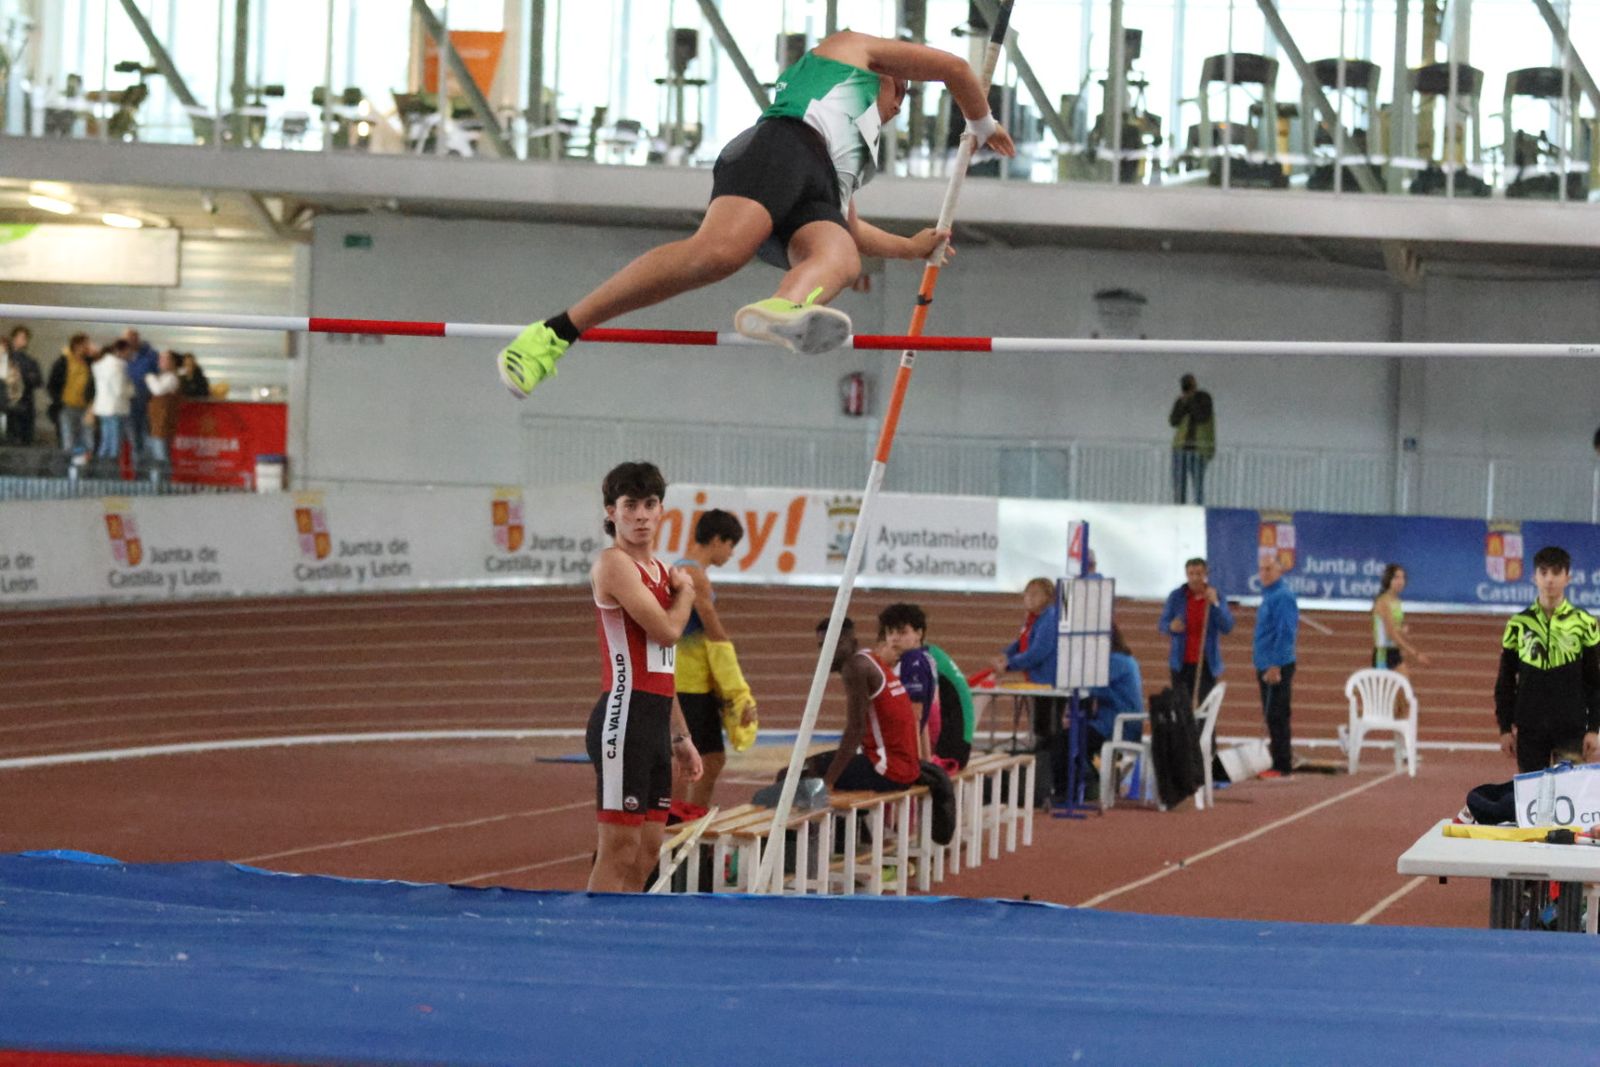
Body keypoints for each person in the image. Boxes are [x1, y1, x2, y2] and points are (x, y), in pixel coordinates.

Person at [494, 30, 1016, 399]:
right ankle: (554, 334)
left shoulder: (857, 153)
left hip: (816, 184)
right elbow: (952, 69)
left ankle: (784, 308)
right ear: (890, 69)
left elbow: (848, 224)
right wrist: (982, 122)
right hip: (781, 147)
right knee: (719, 254)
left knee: (840, 257)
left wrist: (909, 247)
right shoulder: (849, 49)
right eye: (901, 86)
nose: (901, 102)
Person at [583, 461, 703, 892]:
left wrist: (681, 737)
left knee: (648, 851)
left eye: (649, 504)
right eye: (630, 505)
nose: (640, 515)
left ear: (661, 511)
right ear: (611, 512)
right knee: (618, 849)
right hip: (624, 719)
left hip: (654, 723)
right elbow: (667, 632)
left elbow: (662, 668)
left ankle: (624, 944)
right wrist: (687, 593)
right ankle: (591, 945)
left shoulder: (659, 571)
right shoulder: (614, 566)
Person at [669, 508, 757, 821]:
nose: (731, 554)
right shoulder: (693, 575)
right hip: (688, 681)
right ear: (717, 540)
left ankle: (689, 820)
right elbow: (713, 629)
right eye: (731, 546)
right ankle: (673, 824)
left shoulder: (687, 571)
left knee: (711, 759)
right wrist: (737, 686)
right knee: (690, 759)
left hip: (694, 678)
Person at [1494, 545, 1600, 774]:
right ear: (1534, 577)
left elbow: (1594, 681)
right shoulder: (1518, 625)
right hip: (1530, 728)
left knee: (1571, 800)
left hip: (1571, 729)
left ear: (1567, 577)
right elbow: (1505, 680)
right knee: (1531, 802)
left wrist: (1594, 728)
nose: (1549, 579)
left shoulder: (1585, 623)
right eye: (1543, 573)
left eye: (1556, 572)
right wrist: (1504, 728)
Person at [801, 617, 920, 792]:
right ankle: (849, 819)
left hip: (889, 769)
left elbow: (856, 729)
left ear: (851, 642)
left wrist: (829, 781)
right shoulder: (869, 659)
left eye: (832, 645)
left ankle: (821, 819)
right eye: (821, 646)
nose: (826, 652)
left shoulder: (855, 667)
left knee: (795, 777)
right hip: (904, 765)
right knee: (809, 766)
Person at [991, 577, 1065, 799]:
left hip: (1050, 683)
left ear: (1048, 597)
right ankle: (1041, 780)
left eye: (1035, 594)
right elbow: (1020, 642)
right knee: (1041, 729)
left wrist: (1010, 664)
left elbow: (1039, 651)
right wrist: (1005, 655)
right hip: (1037, 683)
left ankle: (1048, 782)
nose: (1029, 598)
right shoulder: (1033, 619)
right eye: (1027, 593)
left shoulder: (1050, 618)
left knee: (1048, 730)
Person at [879, 602, 974, 770]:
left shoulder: (914, 660)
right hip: (960, 743)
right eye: (889, 632)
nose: (894, 638)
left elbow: (926, 714)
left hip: (951, 748)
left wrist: (922, 760)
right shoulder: (928, 654)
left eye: (902, 632)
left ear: (919, 633)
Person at [1158, 557, 1234, 702]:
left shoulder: (1215, 595)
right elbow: (1162, 624)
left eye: (1198, 574)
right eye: (1191, 574)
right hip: (1181, 663)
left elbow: (1227, 626)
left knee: (1205, 707)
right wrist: (1170, 626)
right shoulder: (1176, 597)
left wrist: (1215, 604)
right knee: (1182, 709)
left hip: (1206, 663)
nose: (1194, 578)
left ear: (1205, 574)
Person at [1253, 553, 1299, 778]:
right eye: (1261, 569)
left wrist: (1275, 665)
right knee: (1272, 714)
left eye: (1269, 569)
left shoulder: (1282, 596)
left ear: (1280, 570)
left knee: (1277, 714)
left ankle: (1282, 765)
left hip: (1275, 665)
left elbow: (1286, 632)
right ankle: (1277, 760)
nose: (1264, 573)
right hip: (1265, 663)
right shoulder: (1270, 595)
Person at [1371, 564, 1429, 675]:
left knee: (1403, 688)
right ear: (1388, 580)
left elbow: (1395, 627)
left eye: (1402, 578)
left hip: (1394, 651)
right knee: (1383, 691)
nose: (1400, 581)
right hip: (1383, 654)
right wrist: (1415, 653)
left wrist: (1402, 630)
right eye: (1396, 577)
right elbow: (1391, 633)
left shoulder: (1396, 601)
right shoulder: (1383, 602)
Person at [47, 333, 96, 458]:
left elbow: (95, 384)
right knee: (68, 441)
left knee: (88, 441)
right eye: (85, 344)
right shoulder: (63, 361)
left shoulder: (90, 363)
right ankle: (69, 470)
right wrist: (59, 400)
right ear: (77, 345)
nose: (87, 347)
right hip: (67, 407)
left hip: (85, 408)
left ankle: (84, 470)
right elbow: (52, 384)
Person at [1169, 373, 1215, 504]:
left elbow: (1202, 417)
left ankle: (1198, 509)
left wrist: (1192, 399)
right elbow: (1173, 421)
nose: (1187, 388)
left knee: (1197, 484)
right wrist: (1183, 403)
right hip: (1180, 448)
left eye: (1189, 384)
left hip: (1199, 448)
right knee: (1179, 485)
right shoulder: (1181, 401)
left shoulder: (1204, 398)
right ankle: (1178, 509)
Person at [90, 339, 134, 473]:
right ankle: (110, 473)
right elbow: (120, 390)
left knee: (105, 441)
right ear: (122, 351)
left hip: (103, 408)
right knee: (114, 444)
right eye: (128, 351)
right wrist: (132, 389)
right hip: (115, 408)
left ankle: (99, 471)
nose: (129, 355)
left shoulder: (100, 364)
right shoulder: (118, 365)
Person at [123, 328, 159, 466]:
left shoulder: (151, 355)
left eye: (132, 338)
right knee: (134, 442)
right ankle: (137, 474)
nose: (130, 342)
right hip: (128, 407)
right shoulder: (122, 357)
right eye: (127, 339)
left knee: (147, 440)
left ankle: (149, 474)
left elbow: (158, 375)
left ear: (138, 339)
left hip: (146, 404)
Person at [144, 350, 182, 476]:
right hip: (155, 423)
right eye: (160, 358)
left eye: (164, 359)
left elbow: (158, 390)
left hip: (162, 424)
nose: (160, 361)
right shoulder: (162, 377)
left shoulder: (172, 378)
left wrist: (149, 377)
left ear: (173, 362)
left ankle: (162, 482)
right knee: (155, 453)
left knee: (161, 455)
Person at [3, 325, 42, 445]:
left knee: (25, 438)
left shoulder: (30, 361)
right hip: (6, 403)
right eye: (21, 337)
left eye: (25, 338)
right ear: (13, 338)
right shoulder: (4, 359)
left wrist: (26, 377)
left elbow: (38, 381)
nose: (23, 341)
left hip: (25, 403)